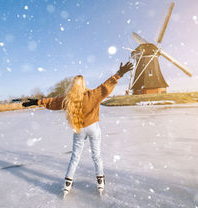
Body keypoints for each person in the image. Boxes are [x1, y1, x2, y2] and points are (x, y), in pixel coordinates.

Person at [22, 62, 133, 196]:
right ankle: (100, 181)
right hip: (93, 128)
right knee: (96, 155)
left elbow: (52, 102)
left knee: (75, 157)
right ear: (83, 84)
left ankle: (67, 183)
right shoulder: (93, 94)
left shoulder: (69, 100)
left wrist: (36, 102)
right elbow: (106, 86)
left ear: (73, 85)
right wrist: (119, 74)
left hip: (79, 129)